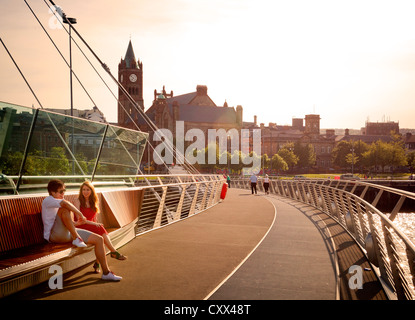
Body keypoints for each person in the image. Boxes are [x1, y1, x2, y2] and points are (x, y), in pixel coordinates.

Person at [41, 179, 122, 281]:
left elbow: (69, 222)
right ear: (52, 192)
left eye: (64, 191)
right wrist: (80, 214)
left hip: (68, 232)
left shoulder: (57, 203)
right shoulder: (48, 200)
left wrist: (76, 223)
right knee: (65, 208)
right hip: (54, 236)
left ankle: (106, 273)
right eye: (61, 192)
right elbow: (65, 204)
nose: (63, 194)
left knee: (99, 239)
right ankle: (76, 238)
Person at [73, 181, 127, 273]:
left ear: (92, 191)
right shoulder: (77, 200)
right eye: (83, 190)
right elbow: (80, 219)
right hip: (80, 227)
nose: (85, 192)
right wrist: (95, 225)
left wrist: (95, 225)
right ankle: (113, 251)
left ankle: (97, 263)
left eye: (88, 190)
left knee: (101, 238)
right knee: (100, 230)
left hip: (90, 227)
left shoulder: (93, 201)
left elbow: (95, 219)